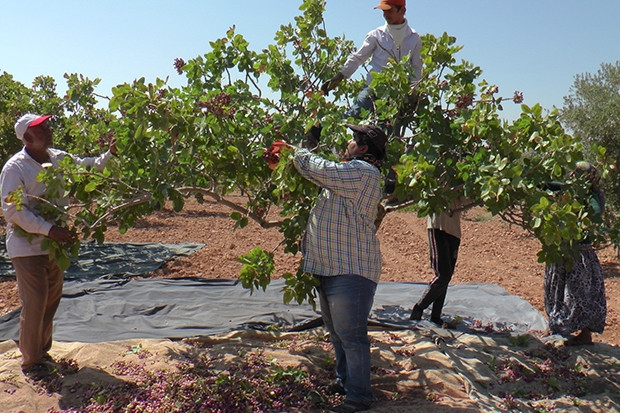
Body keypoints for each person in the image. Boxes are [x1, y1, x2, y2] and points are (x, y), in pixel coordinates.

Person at [0, 114, 117, 380]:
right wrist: (49, 229)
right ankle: (31, 362)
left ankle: (42, 352)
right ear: (28, 138)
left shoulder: (58, 158)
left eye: (46, 126)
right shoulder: (15, 168)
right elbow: (13, 210)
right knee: (35, 301)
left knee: (51, 300)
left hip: (54, 246)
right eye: (42, 128)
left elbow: (88, 166)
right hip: (27, 247)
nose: (49, 130)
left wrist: (110, 154)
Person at [291, 123, 387, 413]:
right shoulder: (354, 172)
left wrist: (303, 146)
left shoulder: (363, 172)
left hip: (351, 270)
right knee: (338, 333)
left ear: (364, 148)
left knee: (352, 335)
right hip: (332, 267)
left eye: (353, 139)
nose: (348, 142)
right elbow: (325, 169)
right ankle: (345, 382)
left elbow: (317, 168)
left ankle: (358, 397)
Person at [320, 0, 422, 121]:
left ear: (403, 11)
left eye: (389, 10)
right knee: (352, 115)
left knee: (383, 133)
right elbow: (359, 57)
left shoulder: (414, 38)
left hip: (396, 96)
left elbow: (416, 67)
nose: (385, 14)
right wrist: (340, 76)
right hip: (372, 88)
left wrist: (413, 93)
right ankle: (315, 133)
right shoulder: (376, 35)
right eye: (383, 11)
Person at [544, 162, 607, 346]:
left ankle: (584, 334)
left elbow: (594, 214)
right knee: (559, 290)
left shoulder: (593, 196)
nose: (572, 176)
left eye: (577, 174)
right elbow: (552, 184)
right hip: (565, 250)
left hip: (579, 254)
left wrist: (582, 205)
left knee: (579, 294)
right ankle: (559, 327)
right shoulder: (574, 191)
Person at [409, 196, 469, 328]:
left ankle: (436, 316)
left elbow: (467, 200)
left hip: (454, 231)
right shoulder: (441, 178)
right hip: (438, 226)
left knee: (447, 276)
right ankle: (419, 308)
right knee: (443, 274)